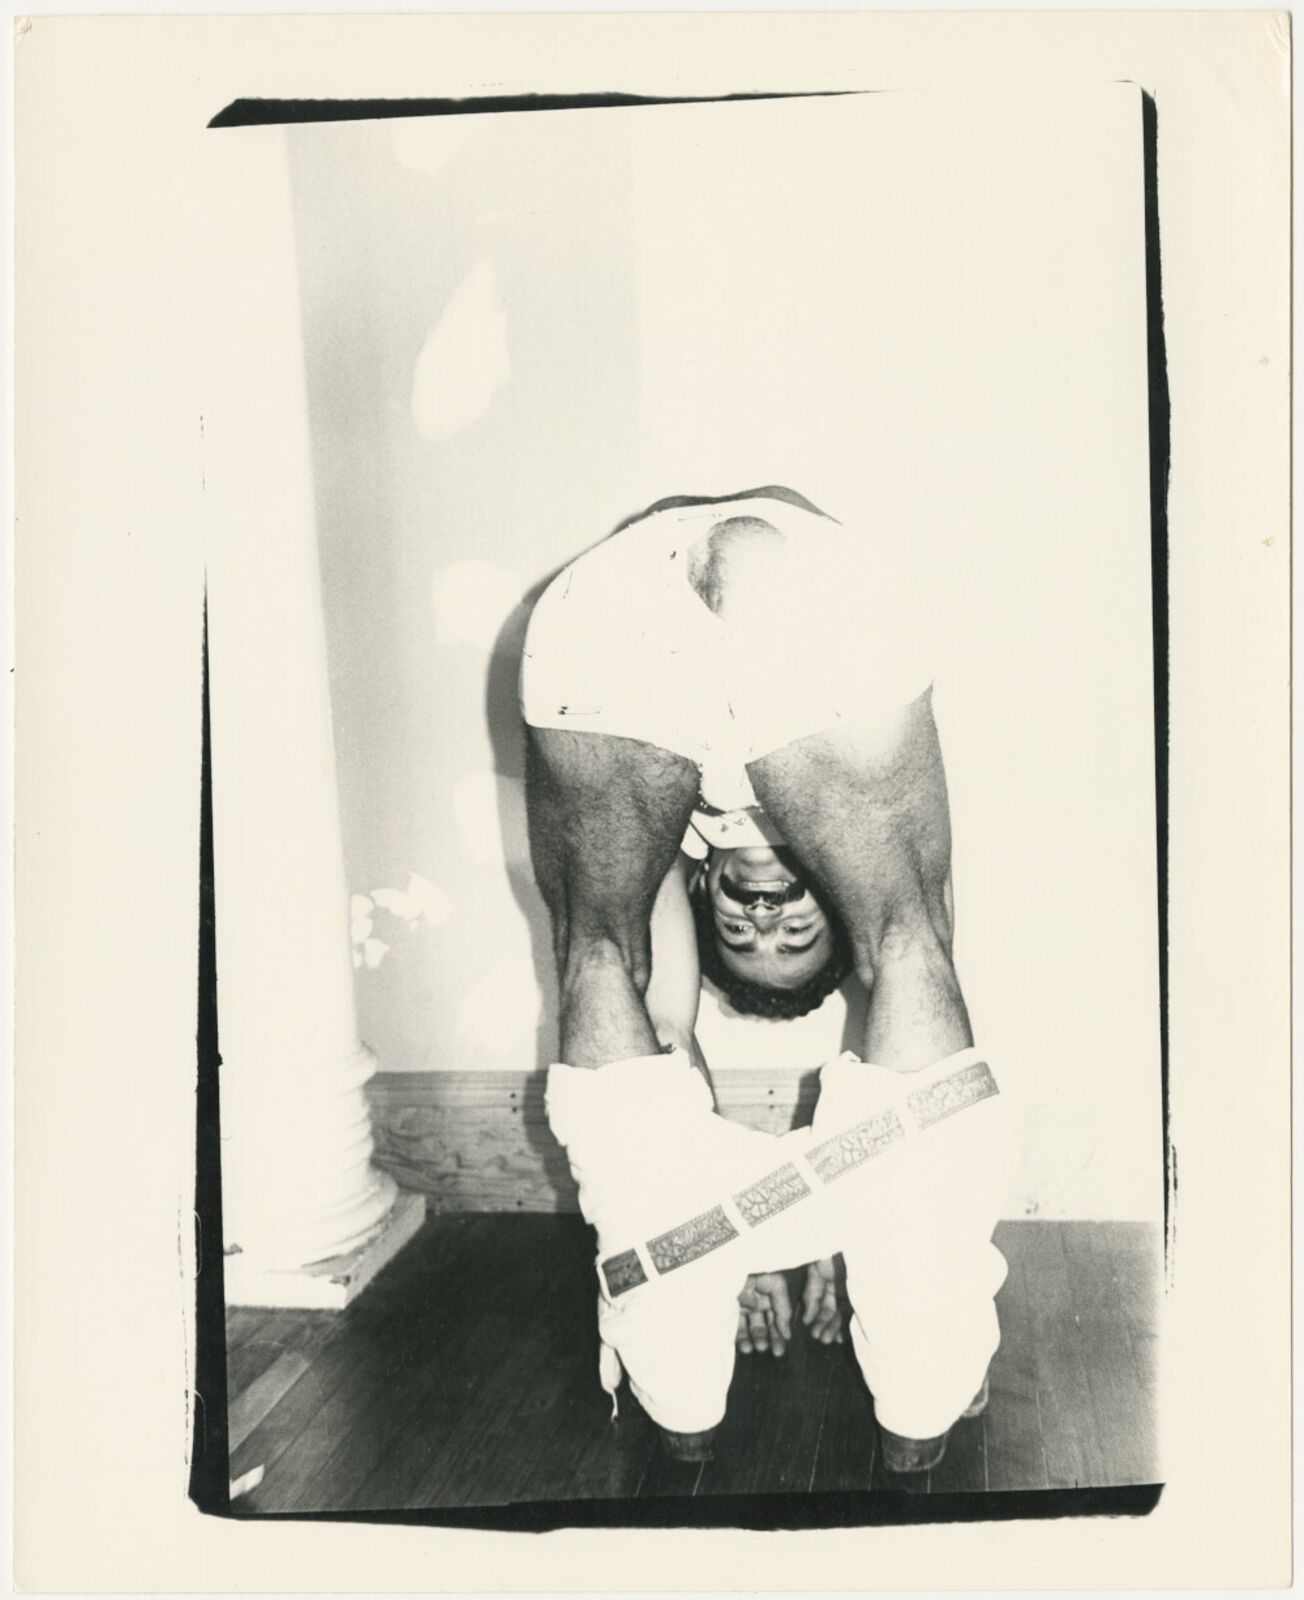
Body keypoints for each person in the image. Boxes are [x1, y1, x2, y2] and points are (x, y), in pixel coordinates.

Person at [520, 487, 1010, 1472]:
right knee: (911, 943)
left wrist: (730, 1239)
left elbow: (659, 1029)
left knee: (597, 956)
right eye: (778, 925)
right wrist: (730, 1247)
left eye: (756, 928)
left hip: (613, 607)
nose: (766, 914)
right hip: (795, 597)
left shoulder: (687, 864)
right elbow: (681, 1050)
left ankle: (679, 1397)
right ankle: (919, 1399)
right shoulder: (851, 881)